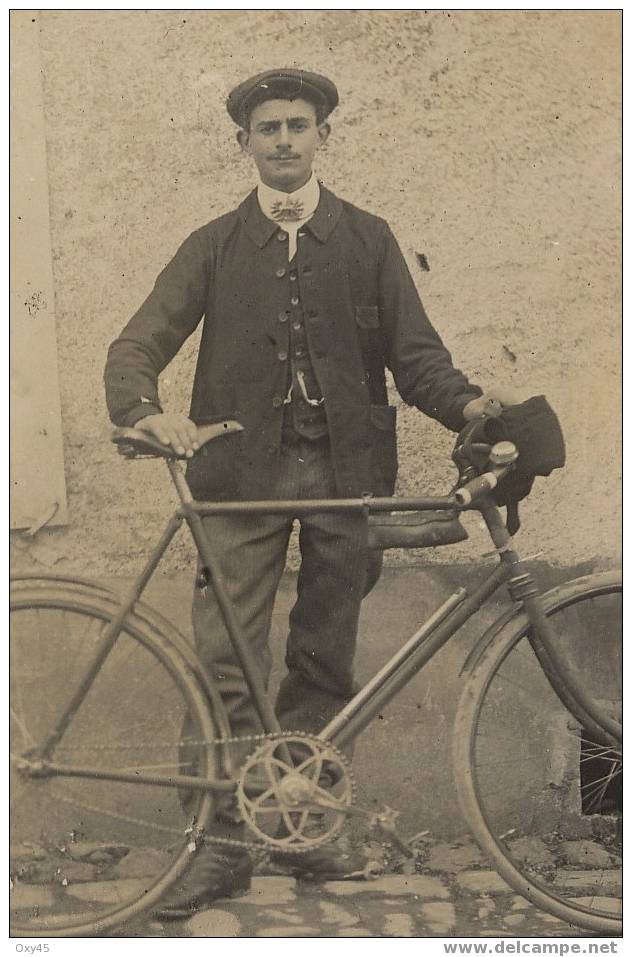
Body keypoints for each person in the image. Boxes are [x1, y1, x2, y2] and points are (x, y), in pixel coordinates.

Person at [104, 68, 520, 918]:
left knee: (326, 662)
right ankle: (215, 848)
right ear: (244, 144)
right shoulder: (214, 245)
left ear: (323, 134)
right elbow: (136, 343)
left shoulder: (368, 240)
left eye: (299, 124)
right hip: (238, 485)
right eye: (268, 128)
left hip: (345, 482)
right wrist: (144, 413)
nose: (285, 140)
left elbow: (419, 360)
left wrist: (471, 403)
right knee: (225, 664)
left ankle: (309, 831)